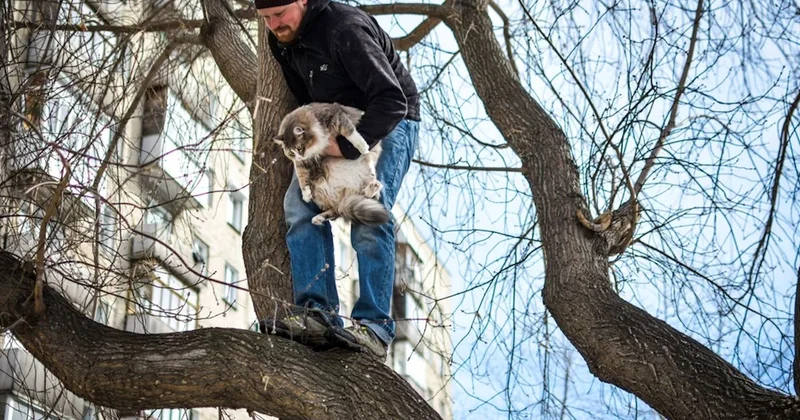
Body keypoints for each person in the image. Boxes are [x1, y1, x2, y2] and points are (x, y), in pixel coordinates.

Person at [254, 0, 420, 361]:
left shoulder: (345, 29)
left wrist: (344, 148)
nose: (274, 25)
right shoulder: (279, 41)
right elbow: (306, 100)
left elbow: (391, 100)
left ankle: (374, 326)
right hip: (331, 126)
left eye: (280, 14)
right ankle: (317, 313)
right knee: (298, 206)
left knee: (369, 213)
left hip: (388, 121)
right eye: (265, 18)